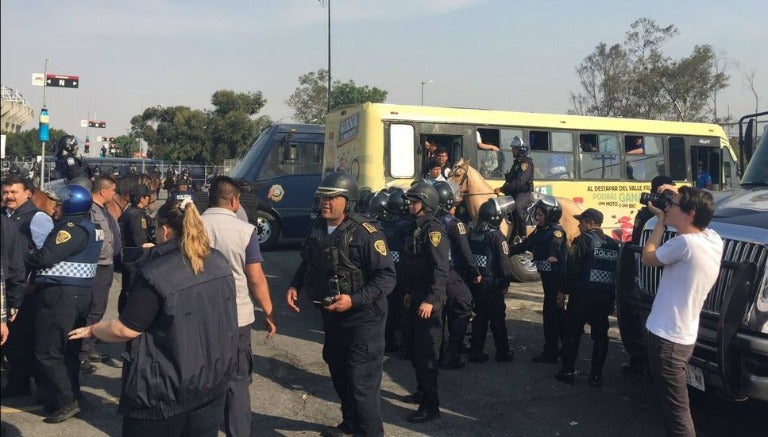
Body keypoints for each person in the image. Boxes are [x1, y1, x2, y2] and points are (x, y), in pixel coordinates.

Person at [68, 198, 239, 436]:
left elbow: (126, 329)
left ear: (165, 230)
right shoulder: (218, 260)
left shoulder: (156, 274)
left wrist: (93, 330)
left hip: (165, 393)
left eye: (156, 228)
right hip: (211, 381)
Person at [286, 171, 395, 437]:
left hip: (364, 320)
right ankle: (350, 425)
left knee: (361, 384)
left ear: (348, 201)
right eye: (323, 196)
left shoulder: (367, 234)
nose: (325, 201)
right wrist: (294, 285)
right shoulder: (318, 230)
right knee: (339, 372)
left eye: (332, 197)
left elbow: (387, 277)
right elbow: (307, 260)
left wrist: (354, 300)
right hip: (332, 317)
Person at [641, 185, 722, 436]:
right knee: (671, 406)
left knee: (677, 412)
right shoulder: (712, 239)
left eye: (672, 205)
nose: (667, 208)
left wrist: (659, 224)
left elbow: (648, 257)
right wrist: (678, 193)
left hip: (667, 340)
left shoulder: (684, 244)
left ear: (690, 213)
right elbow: (700, 216)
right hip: (682, 337)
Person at [201, 176, 277, 437]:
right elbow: (255, 277)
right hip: (237, 316)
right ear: (234, 201)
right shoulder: (245, 231)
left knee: (201, 377)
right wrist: (268, 310)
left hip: (198, 315)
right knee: (236, 381)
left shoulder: (193, 226)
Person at [27, 184, 103, 423]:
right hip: (78, 296)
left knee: (48, 351)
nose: (54, 208)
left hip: (61, 296)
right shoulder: (90, 226)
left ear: (70, 206)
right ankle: (69, 396)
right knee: (68, 351)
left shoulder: (70, 228)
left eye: (59, 204)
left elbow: (45, 257)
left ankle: (66, 400)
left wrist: (23, 254)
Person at [2, 175, 55, 399]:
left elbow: (48, 256)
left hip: (27, 290)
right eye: (5, 192)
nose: (8, 197)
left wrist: (32, 281)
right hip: (7, 290)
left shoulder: (38, 218)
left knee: (32, 341)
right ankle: (18, 383)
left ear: (28, 193)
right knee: (12, 344)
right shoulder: (4, 216)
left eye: (14, 192)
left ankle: (44, 387)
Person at [399, 182, 448, 423]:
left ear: (426, 203)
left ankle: (431, 407)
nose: (410, 204)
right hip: (417, 297)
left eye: (415, 201)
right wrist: (410, 292)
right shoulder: (415, 228)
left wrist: (430, 300)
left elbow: (440, 270)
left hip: (430, 303)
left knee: (428, 356)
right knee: (417, 354)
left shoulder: (433, 230)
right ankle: (421, 393)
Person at [555, 208, 619, 387]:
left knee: (572, 334)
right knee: (600, 336)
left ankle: (567, 371)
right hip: (604, 297)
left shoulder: (582, 241)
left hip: (582, 296)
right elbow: (617, 274)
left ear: (590, 223)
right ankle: (596, 376)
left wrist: (562, 291)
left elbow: (572, 269)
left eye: (581, 222)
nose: (578, 225)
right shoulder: (613, 244)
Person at [620, 175, 675, 375]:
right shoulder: (650, 215)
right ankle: (643, 359)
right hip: (652, 268)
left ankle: (641, 359)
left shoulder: (652, 214)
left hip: (651, 271)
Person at [509, 195, 567, 363]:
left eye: (541, 215)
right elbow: (525, 245)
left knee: (551, 316)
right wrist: (506, 252)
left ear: (550, 216)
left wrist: (553, 255)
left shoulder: (556, 231)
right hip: (547, 280)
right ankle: (564, 347)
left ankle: (551, 352)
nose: (538, 218)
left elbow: (556, 245)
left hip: (556, 279)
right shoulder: (540, 230)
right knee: (558, 314)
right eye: (538, 214)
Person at [433, 181, 479, 369]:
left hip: (435, 273)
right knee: (462, 307)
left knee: (439, 314)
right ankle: (452, 354)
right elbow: (465, 250)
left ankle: (437, 353)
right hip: (452, 273)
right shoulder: (454, 223)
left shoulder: (430, 222)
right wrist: (475, 271)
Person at [79, 175, 121, 374]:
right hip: (97, 266)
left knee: (99, 308)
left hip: (106, 264)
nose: (114, 195)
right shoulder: (90, 211)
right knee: (93, 309)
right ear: (103, 191)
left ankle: (90, 346)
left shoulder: (103, 210)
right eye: (112, 191)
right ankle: (82, 352)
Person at [467, 197, 516, 363]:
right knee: (497, 319)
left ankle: (476, 351)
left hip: (477, 282)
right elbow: (504, 263)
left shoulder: (473, 233)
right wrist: (505, 283)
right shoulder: (496, 236)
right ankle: (503, 352)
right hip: (492, 284)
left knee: (480, 317)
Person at [117, 184, 156, 311]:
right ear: (142, 198)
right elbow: (141, 242)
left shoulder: (130, 212)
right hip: (134, 260)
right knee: (131, 290)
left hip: (129, 258)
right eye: (148, 196)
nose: (149, 199)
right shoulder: (137, 216)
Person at [495, 137, 534, 239]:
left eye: (515, 149)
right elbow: (511, 181)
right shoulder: (516, 164)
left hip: (524, 194)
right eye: (513, 148)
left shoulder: (526, 164)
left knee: (517, 208)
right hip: (513, 194)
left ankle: (522, 236)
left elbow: (519, 182)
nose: (512, 151)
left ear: (521, 149)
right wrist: (503, 188)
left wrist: (503, 189)